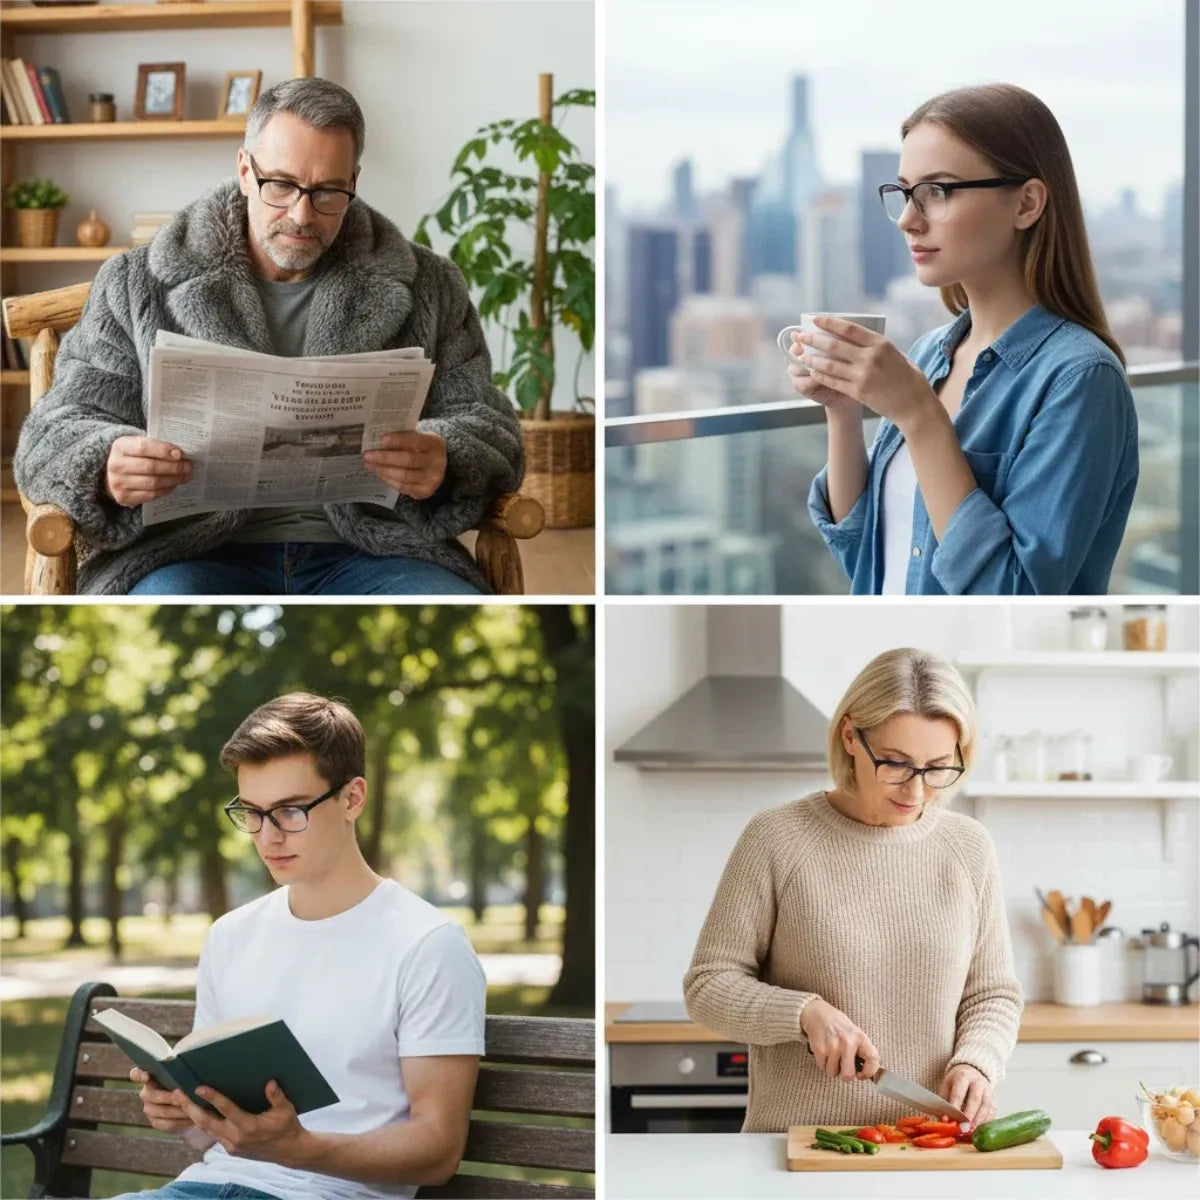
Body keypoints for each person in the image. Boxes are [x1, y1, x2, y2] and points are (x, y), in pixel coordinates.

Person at [14, 77, 524, 596]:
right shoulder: (133, 283)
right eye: (279, 185)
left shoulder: (430, 285)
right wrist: (107, 464)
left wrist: (446, 456)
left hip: (382, 550)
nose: (302, 215)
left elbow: (491, 427)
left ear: (355, 181)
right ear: (243, 170)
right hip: (183, 553)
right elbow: (51, 436)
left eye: (327, 192)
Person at [115, 693, 485, 1200]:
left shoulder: (427, 945)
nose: (267, 836)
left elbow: (439, 1151)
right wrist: (183, 1116)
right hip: (204, 1188)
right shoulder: (231, 936)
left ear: (353, 798)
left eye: (290, 811)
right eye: (251, 812)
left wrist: (298, 1148)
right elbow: (213, 1139)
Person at [795, 83, 1138, 595]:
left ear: (1026, 204)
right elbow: (868, 555)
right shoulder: (930, 353)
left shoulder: (1080, 381)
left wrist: (920, 416)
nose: (909, 220)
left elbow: (1012, 595)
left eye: (938, 191)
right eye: (905, 192)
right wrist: (843, 410)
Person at [684, 648, 1022, 1131]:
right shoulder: (777, 839)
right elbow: (708, 985)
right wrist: (803, 1012)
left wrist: (977, 1061)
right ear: (849, 736)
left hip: (931, 1146)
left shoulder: (969, 847)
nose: (916, 792)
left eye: (938, 767)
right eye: (896, 764)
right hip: (797, 1149)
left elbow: (993, 994)